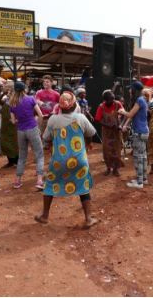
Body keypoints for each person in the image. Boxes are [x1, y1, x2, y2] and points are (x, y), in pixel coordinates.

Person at [36, 91, 98, 228]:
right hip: (79, 159)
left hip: (59, 160)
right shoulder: (81, 118)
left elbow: (46, 138)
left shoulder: (53, 119)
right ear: (74, 104)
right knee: (83, 186)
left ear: (60, 106)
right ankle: (88, 218)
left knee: (50, 184)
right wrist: (88, 143)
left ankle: (45, 216)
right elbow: (91, 133)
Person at [9, 81, 45, 190]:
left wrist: (19, 120)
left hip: (20, 130)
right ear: (24, 89)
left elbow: (13, 120)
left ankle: (17, 181)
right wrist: (37, 126)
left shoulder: (12, 102)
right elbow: (40, 115)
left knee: (22, 156)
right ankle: (39, 180)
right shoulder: (30, 99)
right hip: (32, 128)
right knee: (39, 155)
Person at [119, 81, 150, 189]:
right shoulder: (142, 100)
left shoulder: (139, 100)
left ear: (135, 90)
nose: (129, 90)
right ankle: (143, 179)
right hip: (143, 131)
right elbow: (132, 116)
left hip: (139, 132)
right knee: (143, 156)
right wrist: (126, 124)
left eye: (130, 89)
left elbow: (130, 114)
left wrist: (122, 111)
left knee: (138, 157)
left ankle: (139, 181)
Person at [94, 89, 124, 176]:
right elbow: (98, 120)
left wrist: (121, 125)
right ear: (105, 100)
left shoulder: (117, 104)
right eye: (111, 100)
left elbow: (124, 115)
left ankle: (115, 169)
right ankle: (108, 168)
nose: (113, 101)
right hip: (106, 132)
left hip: (116, 131)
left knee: (117, 149)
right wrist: (109, 125)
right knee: (107, 150)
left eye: (113, 99)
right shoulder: (101, 107)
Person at [35, 75, 60, 140]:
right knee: (42, 135)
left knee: (53, 135)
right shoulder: (39, 92)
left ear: (51, 83)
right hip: (42, 117)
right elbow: (36, 100)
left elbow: (59, 105)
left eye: (47, 82)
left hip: (52, 117)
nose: (45, 83)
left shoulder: (56, 94)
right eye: (44, 82)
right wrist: (39, 102)